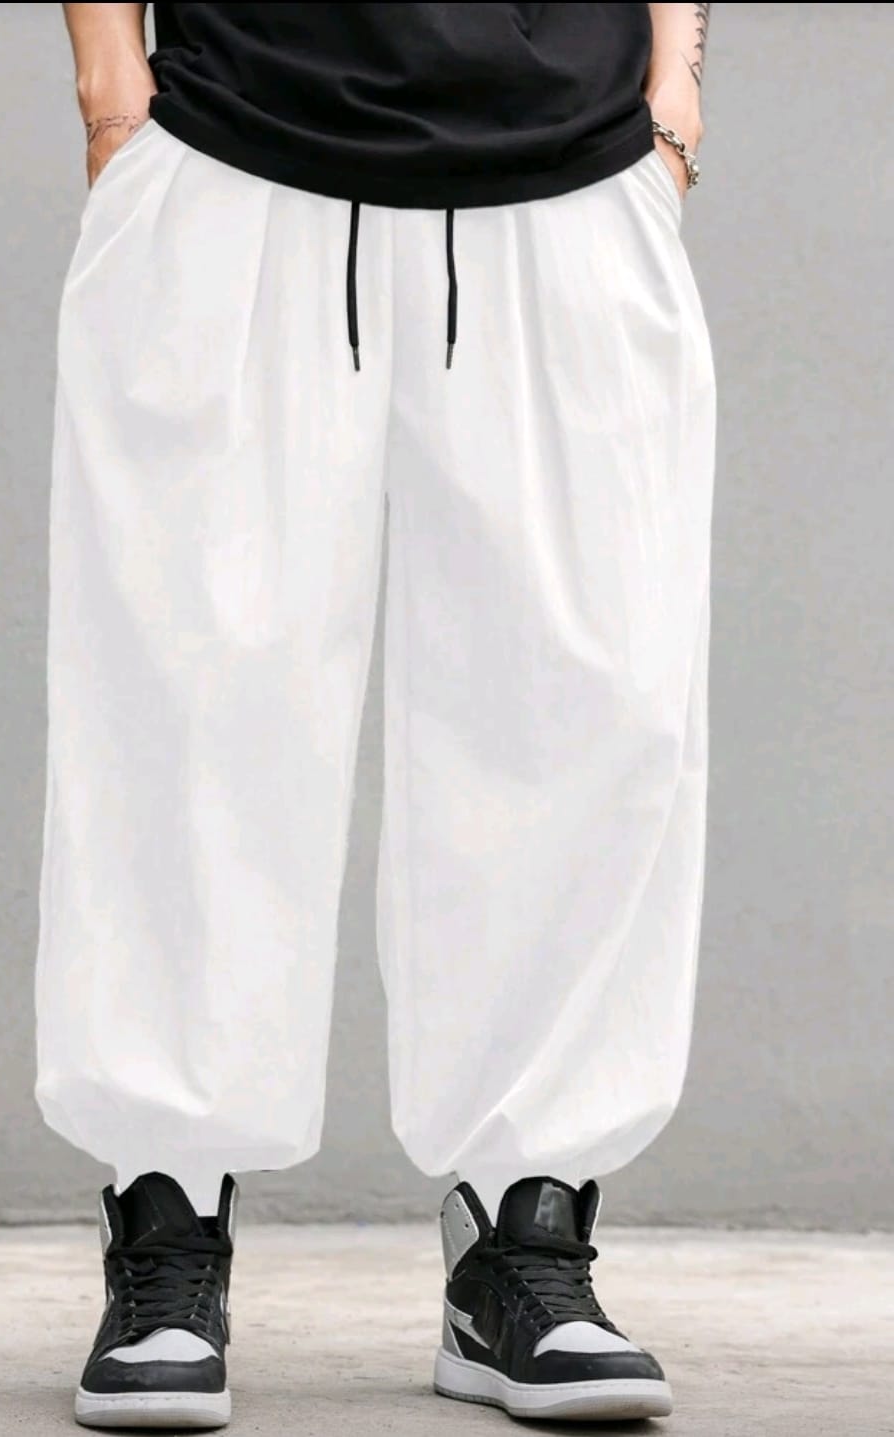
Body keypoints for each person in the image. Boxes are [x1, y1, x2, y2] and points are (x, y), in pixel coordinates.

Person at [37, 2, 714, 1427]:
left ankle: (522, 1233)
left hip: (575, 166)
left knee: (584, 710)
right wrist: (111, 90)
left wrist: (673, 94)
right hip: (234, 150)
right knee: (184, 702)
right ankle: (167, 1213)